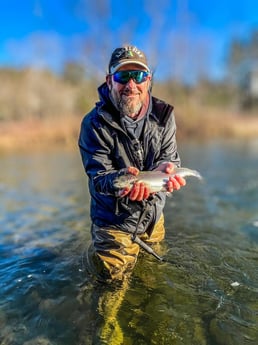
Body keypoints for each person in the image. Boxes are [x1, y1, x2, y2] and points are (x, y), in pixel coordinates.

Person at [78, 44, 186, 283]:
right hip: (113, 223)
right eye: (122, 76)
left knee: (152, 279)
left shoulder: (164, 115)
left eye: (138, 76)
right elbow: (98, 179)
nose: (131, 84)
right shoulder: (93, 124)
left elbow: (170, 158)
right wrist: (122, 182)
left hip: (153, 216)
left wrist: (168, 171)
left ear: (148, 80)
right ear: (109, 81)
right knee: (113, 287)